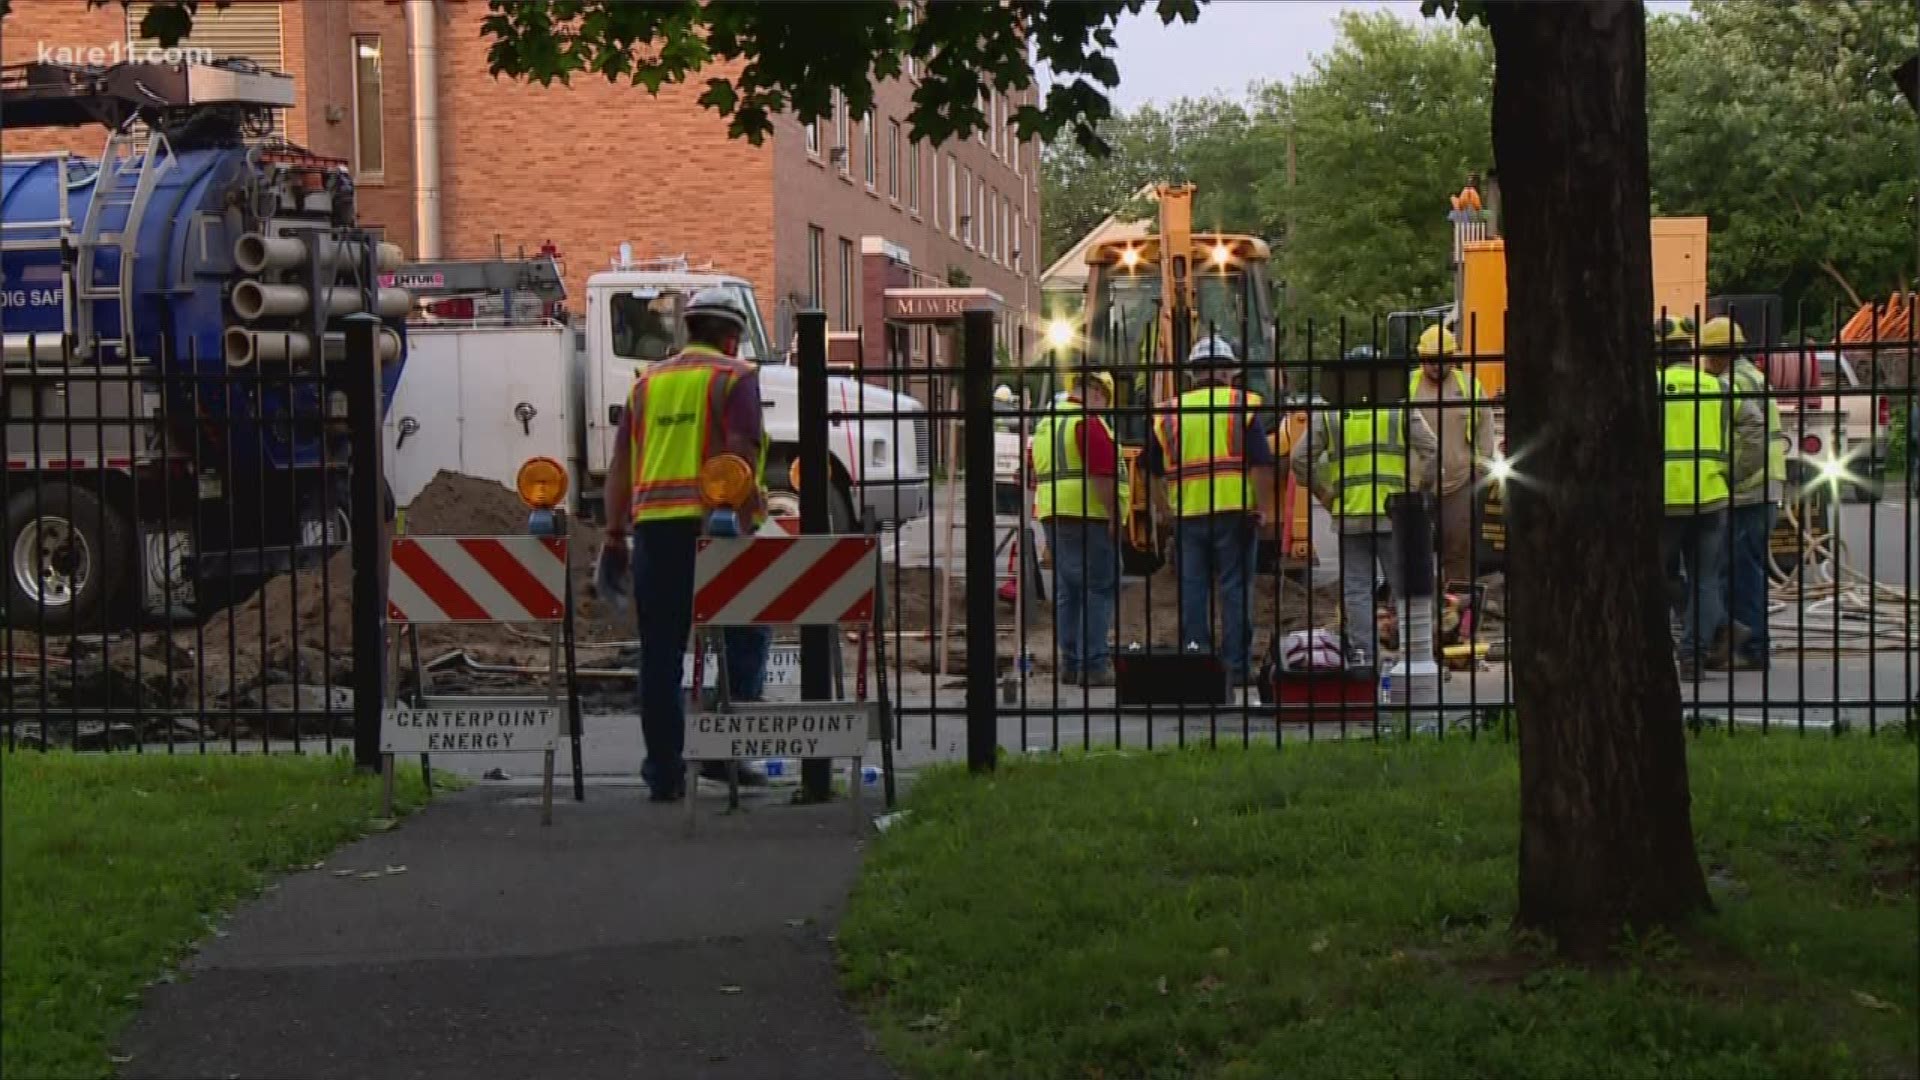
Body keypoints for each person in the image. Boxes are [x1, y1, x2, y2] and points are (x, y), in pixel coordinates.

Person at [601, 287, 772, 802]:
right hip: (715, 525)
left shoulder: (647, 383)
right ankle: (726, 748)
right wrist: (749, 515)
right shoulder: (734, 378)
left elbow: (620, 465)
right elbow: (740, 450)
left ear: (689, 329)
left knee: (661, 653)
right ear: (731, 335)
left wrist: (613, 532)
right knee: (744, 632)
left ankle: (665, 773)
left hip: (655, 529)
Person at [1292, 349, 1438, 669]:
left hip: (1350, 516)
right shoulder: (1399, 411)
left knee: (1357, 591)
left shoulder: (1331, 413)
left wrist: (1326, 495)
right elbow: (1432, 451)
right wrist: (1416, 493)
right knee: (1404, 589)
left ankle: (1364, 659)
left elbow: (1299, 459)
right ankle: (1414, 659)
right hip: (1394, 516)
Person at [1147, 335, 1276, 686]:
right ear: (1228, 372)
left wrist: (1166, 510)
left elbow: (1150, 471)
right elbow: (1261, 464)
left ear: (1193, 374)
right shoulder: (1240, 406)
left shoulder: (1170, 413)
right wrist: (1264, 508)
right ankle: (1235, 667)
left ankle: (1196, 662)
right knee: (1235, 589)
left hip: (1188, 516)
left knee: (1193, 590)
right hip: (1235, 513)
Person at [1656, 315, 1742, 680]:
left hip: (1665, 498)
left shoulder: (1651, 385)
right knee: (1706, 580)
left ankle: (1673, 644)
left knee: (1658, 574)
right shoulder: (1720, 388)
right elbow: (1745, 430)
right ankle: (1694, 656)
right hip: (1711, 495)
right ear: (1690, 350)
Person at [1029, 369, 1123, 686]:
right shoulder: (1088, 422)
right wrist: (1114, 514)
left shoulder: (1046, 425)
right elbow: (1102, 474)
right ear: (1097, 392)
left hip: (1053, 514)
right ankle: (1094, 663)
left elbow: (1032, 471)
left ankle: (1070, 662)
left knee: (1068, 590)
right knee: (1098, 587)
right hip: (1089, 515)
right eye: (1104, 401)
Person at [1703, 316, 1783, 671]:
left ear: (1718, 354)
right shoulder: (1753, 376)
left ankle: (1751, 649)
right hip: (1764, 487)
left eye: (1707, 353)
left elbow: (1752, 440)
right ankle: (1748, 645)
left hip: (1748, 490)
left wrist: (1730, 477)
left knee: (1740, 572)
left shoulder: (1731, 383)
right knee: (1745, 569)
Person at [1407, 325, 1496, 587]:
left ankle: (1456, 610)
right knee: (1414, 553)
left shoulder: (1468, 387)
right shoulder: (1407, 385)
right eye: (1432, 360)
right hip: (1415, 484)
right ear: (1422, 359)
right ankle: (1420, 613)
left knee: (1458, 553)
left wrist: (1480, 469)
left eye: (1445, 358)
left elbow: (1485, 430)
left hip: (1458, 485)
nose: (1438, 365)